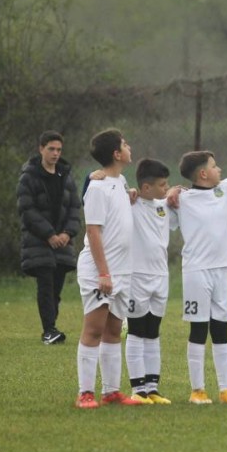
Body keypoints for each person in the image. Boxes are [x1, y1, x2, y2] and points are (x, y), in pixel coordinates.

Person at [172, 150, 227, 405]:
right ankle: (197, 390)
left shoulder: (226, 189)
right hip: (196, 272)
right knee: (198, 329)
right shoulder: (181, 199)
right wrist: (170, 191)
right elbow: (148, 200)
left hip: (223, 270)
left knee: (221, 329)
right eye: (214, 165)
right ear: (203, 173)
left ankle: (225, 389)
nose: (219, 169)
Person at [74, 128, 142, 408]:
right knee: (94, 330)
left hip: (123, 271)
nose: (129, 147)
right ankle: (85, 393)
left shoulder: (121, 181)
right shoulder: (97, 187)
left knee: (114, 330)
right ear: (116, 153)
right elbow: (93, 232)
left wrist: (131, 194)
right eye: (125, 144)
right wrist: (103, 272)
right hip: (100, 272)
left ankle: (111, 391)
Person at [17, 131, 81, 345]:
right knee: (45, 285)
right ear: (41, 149)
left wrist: (66, 234)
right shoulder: (28, 177)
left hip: (62, 243)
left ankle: (51, 327)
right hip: (39, 242)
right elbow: (27, 210)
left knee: (56, 289)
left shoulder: (66, 176)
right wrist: (49, 235)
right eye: (51, 149)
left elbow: (74, 208)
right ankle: (49, 330)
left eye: (59, 150)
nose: (55, 153)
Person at [124, 158, 174, 405]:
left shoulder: (164, 206)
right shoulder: (130, 204)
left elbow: (180, 194)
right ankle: (138, 389)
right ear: (145, 188)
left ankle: (153, 388)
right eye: (162, 184)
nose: (166, 188)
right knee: (136, 330)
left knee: (153, 331)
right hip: (137, 277)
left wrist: (175, 191)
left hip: (160, 277)